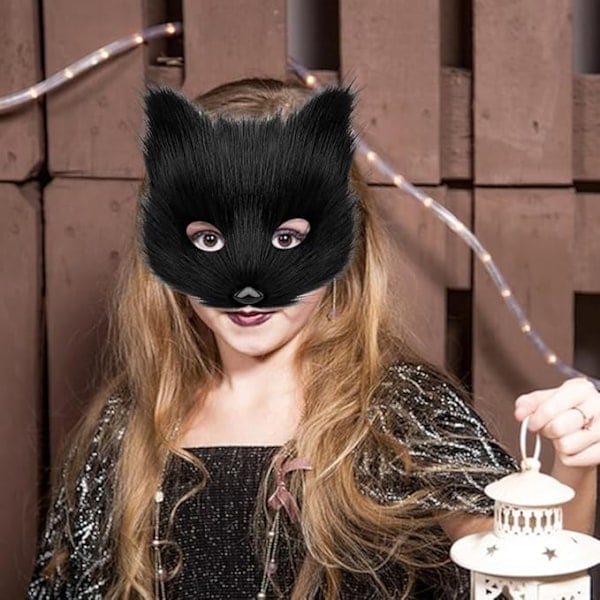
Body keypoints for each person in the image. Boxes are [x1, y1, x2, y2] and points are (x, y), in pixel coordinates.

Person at [28, 78, 600, 600]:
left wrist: (575, 467)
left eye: (285, 239)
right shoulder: (127, 425)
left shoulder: (397, 407)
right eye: (209, 240)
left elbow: (521, 576)